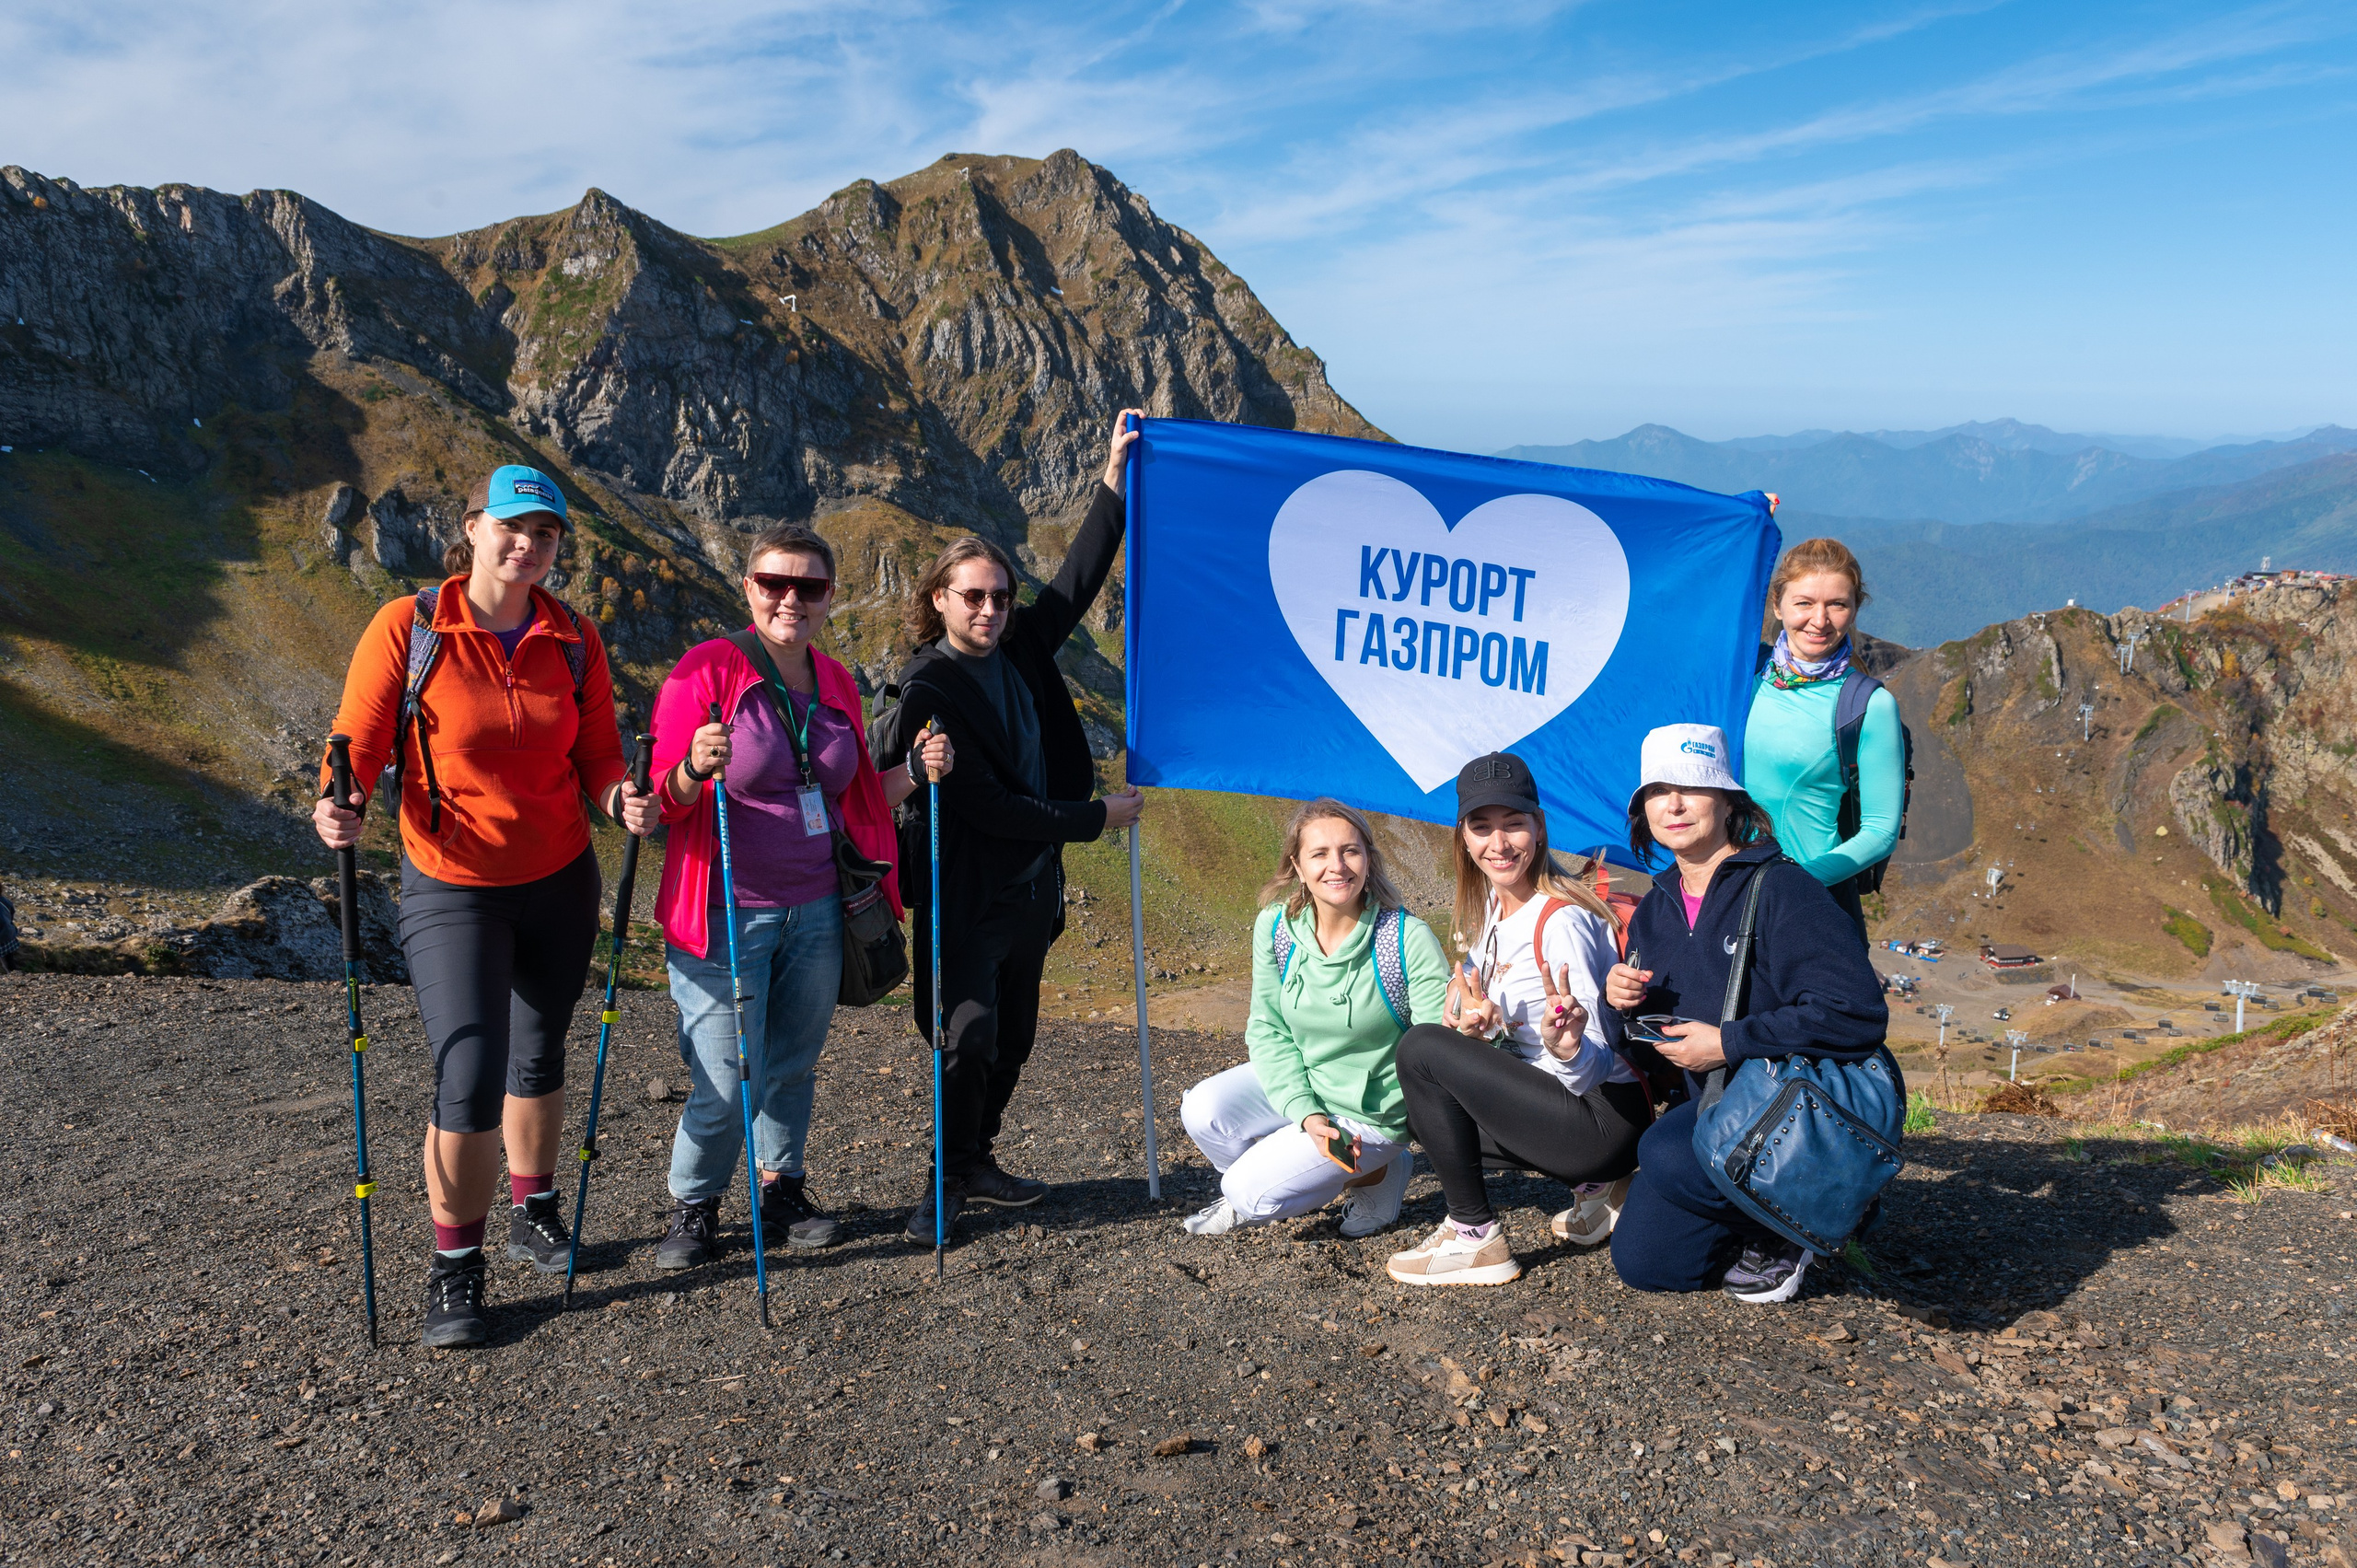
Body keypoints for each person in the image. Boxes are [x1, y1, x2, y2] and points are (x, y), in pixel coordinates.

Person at [315, 465, 660, 1349]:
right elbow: (356, 736)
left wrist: (621, 795)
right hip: (452, 883)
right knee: (468, 1070)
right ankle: (453, 1266)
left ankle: (532, 1206)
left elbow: (595, 754)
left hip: (559, 876)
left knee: (539, 1052)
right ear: (471, 527)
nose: (527, 545)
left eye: (544, 534)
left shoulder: (574, 638)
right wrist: (340, 798)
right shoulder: (412, 625)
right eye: (511, 526)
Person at [645, 524, 954, 1271]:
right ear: (748, 588)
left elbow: (854, 800)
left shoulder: (837, 680)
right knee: (724, 1072)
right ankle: (695, 1200)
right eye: (774, 584)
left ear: (828, 597)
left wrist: (913, 770)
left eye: (808, 586)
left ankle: (781, 1186)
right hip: (724, 907)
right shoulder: (705, 672)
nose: (791, 598)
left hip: (820, 906)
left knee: (791, 1059)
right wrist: (691, 765)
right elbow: (661, 803)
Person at [877, 413, 1149, 1242]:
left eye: (999, 595)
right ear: (940, 600)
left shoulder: (1024, 644)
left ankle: (976, 1158)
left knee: (1017, 1034)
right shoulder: (927, 689)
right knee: (967, 1034)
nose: (992, 608)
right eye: (974, 596)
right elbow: (989, 806)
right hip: (964, 891)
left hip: (1032, 890)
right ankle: (942, 1177)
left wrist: (1113, 475)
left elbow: (1077, 580)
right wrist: (1095, 817)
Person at [1604, 724, 1889, 1305]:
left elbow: (1857, 1013)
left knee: (1660, 1152)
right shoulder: (1656, 908)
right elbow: (1643, 1047)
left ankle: (1806, 1205)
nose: (1675, 805)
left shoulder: (1784, 889)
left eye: (1693, 787)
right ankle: (1774, 1205)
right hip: (1711, 1108)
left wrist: (1730, 1042)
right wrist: (1617, 1007)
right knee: (1647, 1265)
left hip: (1789, 1102)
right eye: (1658, 791)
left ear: (1729, 801)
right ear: (1643, 810)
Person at [1384, 753, 1650, 1287]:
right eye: (1481, 828)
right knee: (1423, 1112)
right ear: (1463, 837)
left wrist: (1568, 1045)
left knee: (1419, 1050)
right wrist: (1487, 1030)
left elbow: (1595, 1061)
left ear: (1539, 826)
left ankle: (1474, 1237)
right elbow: (1523, 1039)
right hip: (1575, 1114)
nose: (1498, 844)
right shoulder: (1493, 913)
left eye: (1513, 825)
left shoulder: (1563, 921)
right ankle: (1599, 1194)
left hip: (1601, 1117)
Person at [1178, 799, 1446, 1237]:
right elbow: (1268, 1028)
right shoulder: (1276, 928)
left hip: (1370, 1114)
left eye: (1350, 851)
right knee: (1203, 1111)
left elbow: (1440, 1045)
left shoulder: (1406, 938)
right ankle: (1292, 1172)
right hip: (1309, 1082)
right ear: (1298, 867)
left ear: (1368, 860)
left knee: (1249, 1193)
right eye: (1319, 854)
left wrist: (1478, 1029)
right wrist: (1305, 1115)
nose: (1336, 866)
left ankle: (1374, 1170)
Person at [1743, 538, 1904, 941]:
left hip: (1810, 909)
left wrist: (1791, 883)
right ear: (1777, 604)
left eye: (1837, 604)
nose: (1820, 620)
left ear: (1854, 609)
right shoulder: (1743, 672)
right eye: (1804, 603)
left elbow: (1881, 831)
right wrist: (1750, 524)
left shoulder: (1870, 705)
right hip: (1721, 895)